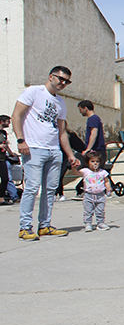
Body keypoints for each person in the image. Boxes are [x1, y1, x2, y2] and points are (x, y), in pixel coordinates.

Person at [12, 66, 81, 240]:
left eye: (67, 81)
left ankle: (45, 225)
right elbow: (16, 115)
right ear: (51, 77)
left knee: (50, 189)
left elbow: (62, 131)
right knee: (33, 188)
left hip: (54, 150)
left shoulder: (60, 102)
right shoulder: (34, 92)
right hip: (33, 148)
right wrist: (21, 140)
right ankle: (25, 227)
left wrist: (70, 155)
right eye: (61, 79)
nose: (63, 83)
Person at [79, 150, 111, 232]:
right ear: (88, 162)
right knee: (88, 211)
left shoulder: (102, 172)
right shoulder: (85, 171)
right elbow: (77, 173)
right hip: (88, 194)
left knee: (100, 210)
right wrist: (74, 166)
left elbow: (106, 181)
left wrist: (108, 188)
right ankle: (88, 224)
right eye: (92, 161)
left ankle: (100, 223)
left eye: (97, 161)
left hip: (100, 194)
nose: (95, 163)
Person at [54, 121, 85, 201]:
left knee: (60, 175)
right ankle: (56, 193)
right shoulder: (52, 135)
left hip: (65, 158)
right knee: (54, 176)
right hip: (54, 157)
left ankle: (59, 194)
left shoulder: (70, 135)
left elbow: (80, 146)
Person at [0, 114, 18, 204]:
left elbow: (5, 145)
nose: (9, 124)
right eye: (7, 121)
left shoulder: (3, 133)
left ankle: (1, 199)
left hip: (2, 158)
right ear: (1, 122)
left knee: (5, 178)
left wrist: (11, 154)